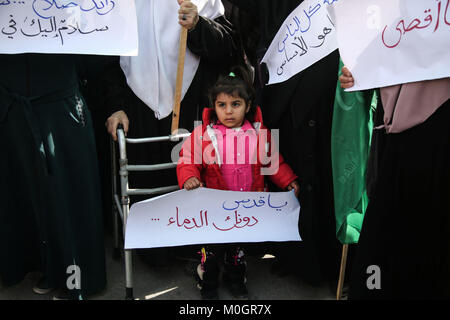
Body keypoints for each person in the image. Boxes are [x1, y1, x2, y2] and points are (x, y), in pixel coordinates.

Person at [102, 0, 242, 265]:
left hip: (189, 107)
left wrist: (199, 25)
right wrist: (116, 106)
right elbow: (108, 60)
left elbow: (228, 47)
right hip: (136, 109)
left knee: (189, 181)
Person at [226, 0, 341, 287]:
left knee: (325, 170)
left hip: (330, 79)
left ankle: (330, 260)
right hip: (282, 83)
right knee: (288, 166)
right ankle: (291, 255)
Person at [177, 65, 300, 299]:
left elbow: (272, 162)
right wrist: (190, 177)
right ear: (214, 107)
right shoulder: (204, 134)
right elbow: (187, 159)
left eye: (236, 104)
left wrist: (288, 180)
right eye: (222, 105)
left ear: (247, 106)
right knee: (210, 252)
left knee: (237, 253)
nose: (229, 111)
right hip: (212, 209)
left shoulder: (257, 132)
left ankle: (236, 280)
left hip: (244, 209)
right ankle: (208, 283)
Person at [0, 54, 107, 300]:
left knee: (67, 194)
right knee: (24, 192)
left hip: (59, 104)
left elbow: (94, 57)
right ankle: (44, 267)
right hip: (12, 102)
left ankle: (77, 278)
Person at [340, 67, 450, 299]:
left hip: (438, 134)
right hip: (396, 141)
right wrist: (360, 73)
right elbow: (383, 54)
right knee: (380, 250)